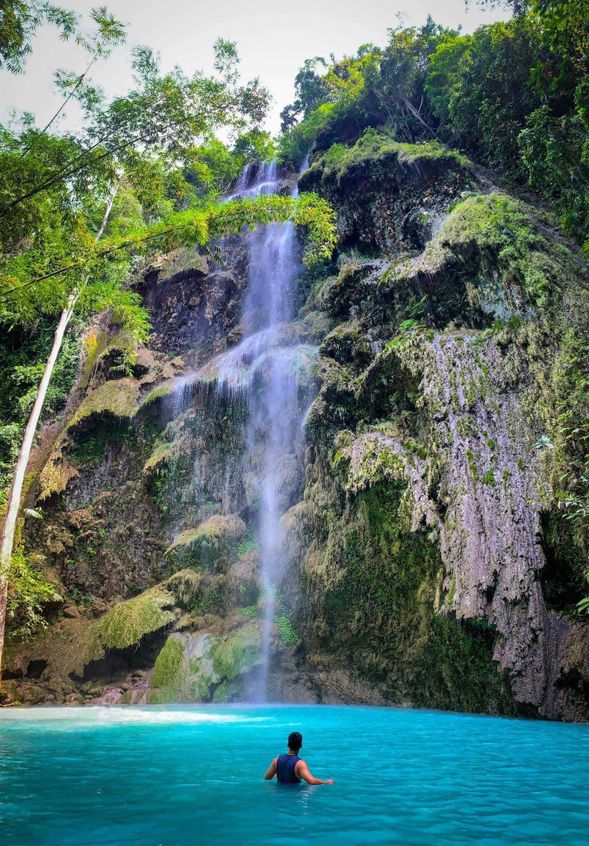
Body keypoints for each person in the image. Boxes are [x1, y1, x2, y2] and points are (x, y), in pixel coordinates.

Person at [264, 731, 334, 785]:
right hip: (294, 798)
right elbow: (311, 781)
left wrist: (278, 774)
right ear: (301, 745)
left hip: (278, 796)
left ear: (288, 745)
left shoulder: (276, 760)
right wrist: (325, 782)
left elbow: (267, 778)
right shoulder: (300, 764)